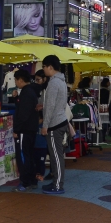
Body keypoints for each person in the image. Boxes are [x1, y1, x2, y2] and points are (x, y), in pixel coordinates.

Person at [40, 55, 69, 195]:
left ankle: (57, 185)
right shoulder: (62, 81)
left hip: (54, 124)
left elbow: (50, 106)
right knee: (56, 155)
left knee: (56, 156)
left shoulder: (53, 83)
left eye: (44, 66)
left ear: (50, 67)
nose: (43, 69)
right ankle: (56, 182)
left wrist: (45, 125)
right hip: (61, 121)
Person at [12, 69, 42, 191]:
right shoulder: (31, 91)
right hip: (31, 129)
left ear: (20, 80)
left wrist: (16, 130)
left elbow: (23, 114)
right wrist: (16, 99)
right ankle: (32, 180)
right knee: (29, 155)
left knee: (23, 156)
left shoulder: (26, 93)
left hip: (24, 130)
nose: (15, 82)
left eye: (15, 80)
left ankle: (25, 182)